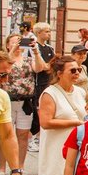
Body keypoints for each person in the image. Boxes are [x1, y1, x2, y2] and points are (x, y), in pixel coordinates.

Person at [37, 55, 87, 175]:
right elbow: (46, 122)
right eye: (72, 70)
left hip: (78, 147)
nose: (77, 73)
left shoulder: (81, 92)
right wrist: (75, 123)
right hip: (56, 148)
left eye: (78, 70)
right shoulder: (50, 94)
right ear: (59, 74)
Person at [0, 33, 47, 175]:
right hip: (8, 100)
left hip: (25, 102)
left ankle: (20, 166)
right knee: (5, 134)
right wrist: (13, 50)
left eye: (19, 42)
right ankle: (2, 167)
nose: (17, 45)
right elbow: (6, 64)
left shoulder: (28, 59)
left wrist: (36, 50)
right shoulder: (4, 59)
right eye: (13, 42)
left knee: (23, 135)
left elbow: (40, 68)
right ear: (7, 45)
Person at [29, 22, 56, 152]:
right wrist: (46, 66)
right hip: (37, 84)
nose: (49, 34)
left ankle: (39, 138)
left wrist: (47, 66)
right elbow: (39, 68)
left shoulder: (50, 48)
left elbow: (52, 65)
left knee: (47, 112)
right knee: (37, 113)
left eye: (49, 31)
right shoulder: (34, 47)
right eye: (46, 31)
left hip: (48, 83)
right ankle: (33, 138)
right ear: (38, 33)